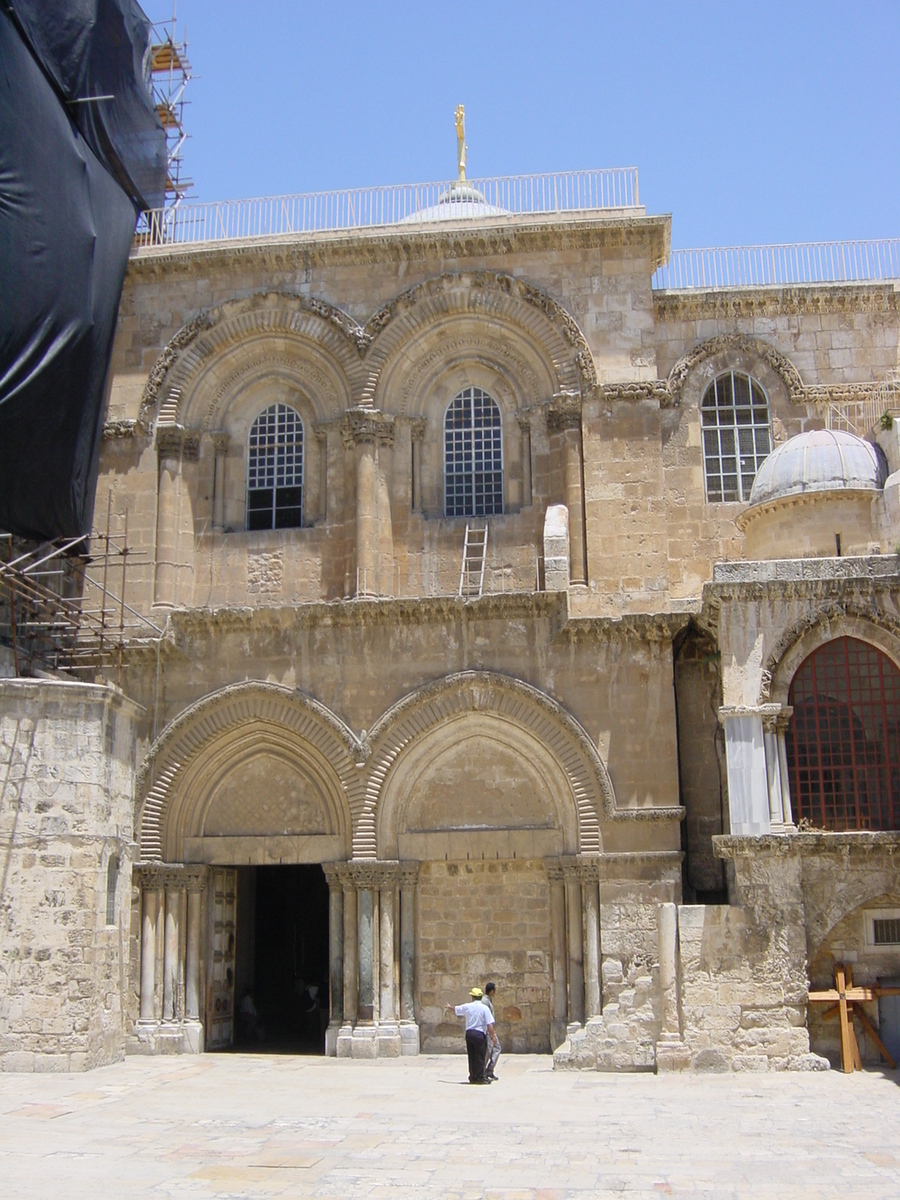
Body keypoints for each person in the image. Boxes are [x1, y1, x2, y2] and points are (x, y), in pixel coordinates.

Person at [444, 986, 497, 1084]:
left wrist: (449, 1006)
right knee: (480, 1056)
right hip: (479, 1034)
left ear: (472, 997)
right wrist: (493, 1036)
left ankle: (473, 1077)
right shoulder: (484, 1008)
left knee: (472, 1056)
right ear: (481, 997)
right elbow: (490, 1024)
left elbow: (456, 1009)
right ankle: (480, 1077)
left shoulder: (468, 1006)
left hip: (469, 1034)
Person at [481, 981, 501, 1080]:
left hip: (491, 1029)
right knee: (488, 1051)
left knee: (496, 1048)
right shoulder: (485, 1001)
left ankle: (489, 1070)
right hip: (488, 1030)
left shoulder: (488, 1000)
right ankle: (483, 1071)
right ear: (492, 991)